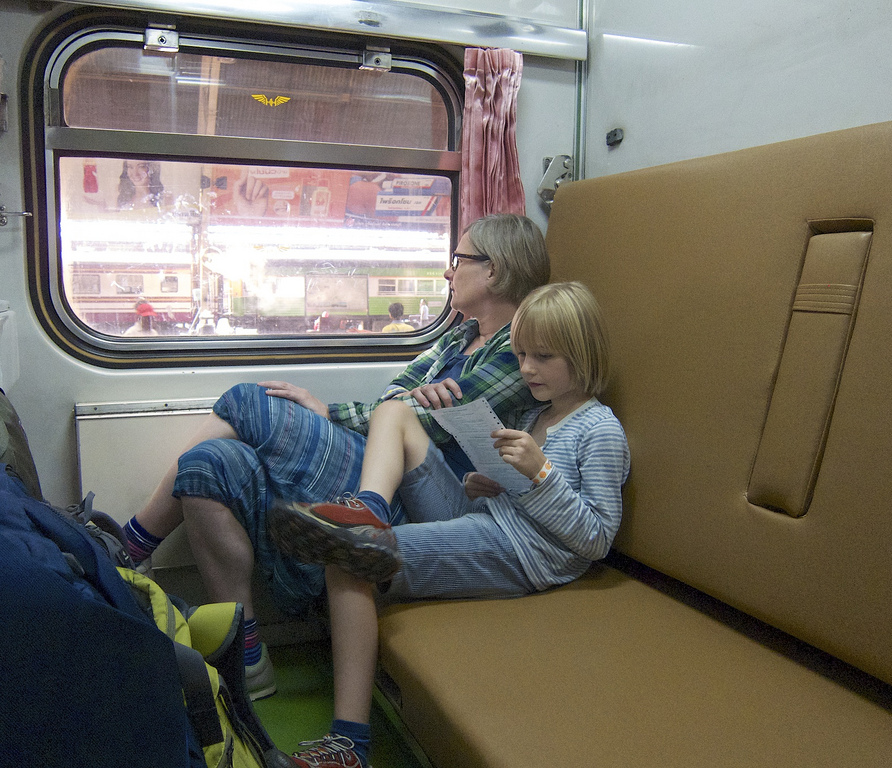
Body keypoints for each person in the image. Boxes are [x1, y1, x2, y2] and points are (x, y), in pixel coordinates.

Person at [122, 213, 550, 705]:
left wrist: (335, 412)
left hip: (426, 502)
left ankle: (129, 546)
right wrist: (404, 404)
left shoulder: (519, 350)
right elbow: (394, 398)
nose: (448, 272)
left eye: (458, 259)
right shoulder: (457, 337)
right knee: (207, 463)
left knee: (247, 400)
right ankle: (246, 655)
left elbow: (429, 421)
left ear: (493, 270)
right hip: (385, 466)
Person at [267, 282, 630, 768]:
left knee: (346, 561)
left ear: (582, 356)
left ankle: (349, 746)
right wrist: (488, 484)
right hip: (491, 516)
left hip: (522, 554)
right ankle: (367, 509)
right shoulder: (533, 413)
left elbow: (597, 539)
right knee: (396, 412)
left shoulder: (600, 430)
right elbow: (525, 496)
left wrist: (539, 476)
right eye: (522, 354)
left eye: (543, 357)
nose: (527, 369)